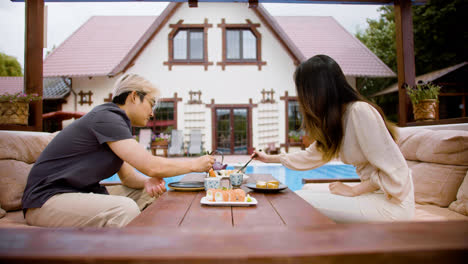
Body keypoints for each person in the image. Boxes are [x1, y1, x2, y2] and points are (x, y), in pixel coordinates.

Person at [22, 74, 215, 227]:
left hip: (74, 195)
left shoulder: (115, 123)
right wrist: (193, 164)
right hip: (47, 201)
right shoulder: (107, 117)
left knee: (151, 193)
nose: (152, 112)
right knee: (123, 209)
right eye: (151, 103)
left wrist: (148, 181)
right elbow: (150, 165)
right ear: (133, 96)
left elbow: (129, 178)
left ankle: (155, 243)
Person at [252, 55, 414, 223]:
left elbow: (396, 172)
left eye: (302, 90)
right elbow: (309, 156)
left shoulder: (359, 112)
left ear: (316, 91)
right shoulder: (338, 121)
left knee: (296, 201)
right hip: (373, 193)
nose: (302, 98)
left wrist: (354, 190)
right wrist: (268, 158)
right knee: (305, 190)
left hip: (392, 201)